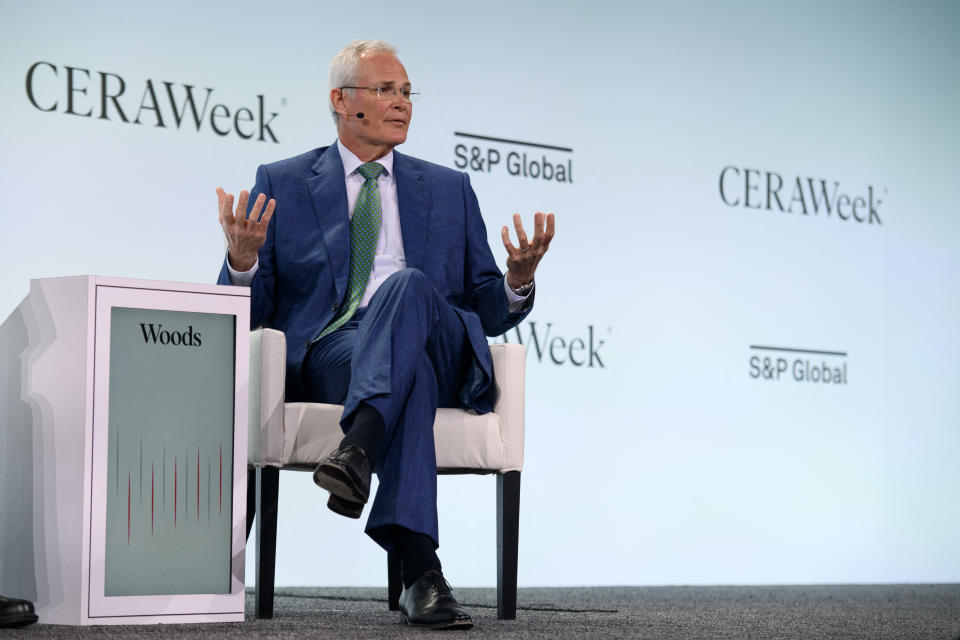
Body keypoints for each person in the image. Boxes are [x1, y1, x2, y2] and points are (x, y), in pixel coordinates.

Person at [216, 40, 554, 629]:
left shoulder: (450, 188)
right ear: (341, 102)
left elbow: (485, 306)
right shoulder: (286, 181)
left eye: (405, 92)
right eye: (385, 91)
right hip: (337, 350)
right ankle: (421, 573)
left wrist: (517, 281)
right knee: (408, 374)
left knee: (409, 287)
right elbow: (252, 308)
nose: (401, 104)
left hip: (443, 344)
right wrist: (241, 261)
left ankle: (359, 448)